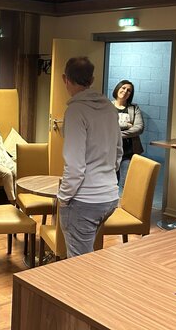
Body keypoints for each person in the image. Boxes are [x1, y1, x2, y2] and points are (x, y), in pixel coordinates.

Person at [57, 57, 120, 258]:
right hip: (109, 197)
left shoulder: (75, 111)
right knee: (89, 259)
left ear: (65, 79)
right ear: (92, 80)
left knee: (79, 266)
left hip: (84, 200)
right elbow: (118, 152)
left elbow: (75, 167)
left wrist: (63, 198)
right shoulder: (110, 108)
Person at [111, 80, 144, 187]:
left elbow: (139, 128)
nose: (125, 91)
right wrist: (127, 125)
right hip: (110, 152)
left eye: (129, 90)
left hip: (129, 153)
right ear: (118, 88)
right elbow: (105, 125)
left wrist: (117, 134)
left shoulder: (134, 108)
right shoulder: (107, 106)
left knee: (127, 184)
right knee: (110, 183)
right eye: (123, 88)